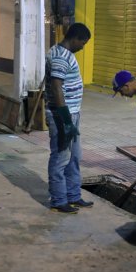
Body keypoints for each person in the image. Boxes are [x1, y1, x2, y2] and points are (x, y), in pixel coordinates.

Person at [45, 22, 93, 213]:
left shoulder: (63, 53)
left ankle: (73, 195)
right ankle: (58, 200)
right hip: (62, 116)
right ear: (76, 39)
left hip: (72, 114)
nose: (83, 47)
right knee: (60, 157)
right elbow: (57, 87)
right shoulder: (60, 57)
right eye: (84, 43)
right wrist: (66, 121)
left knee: (74, 156)